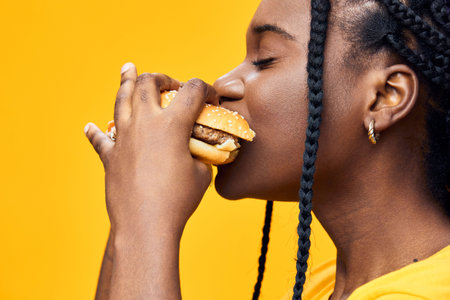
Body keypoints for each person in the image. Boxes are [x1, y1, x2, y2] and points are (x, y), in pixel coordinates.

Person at [84, 0, 450, 299]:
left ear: (385, 97)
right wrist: (131, 211)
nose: (224, 83)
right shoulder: (326, 288)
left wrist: (145, 221)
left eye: (265, 59)